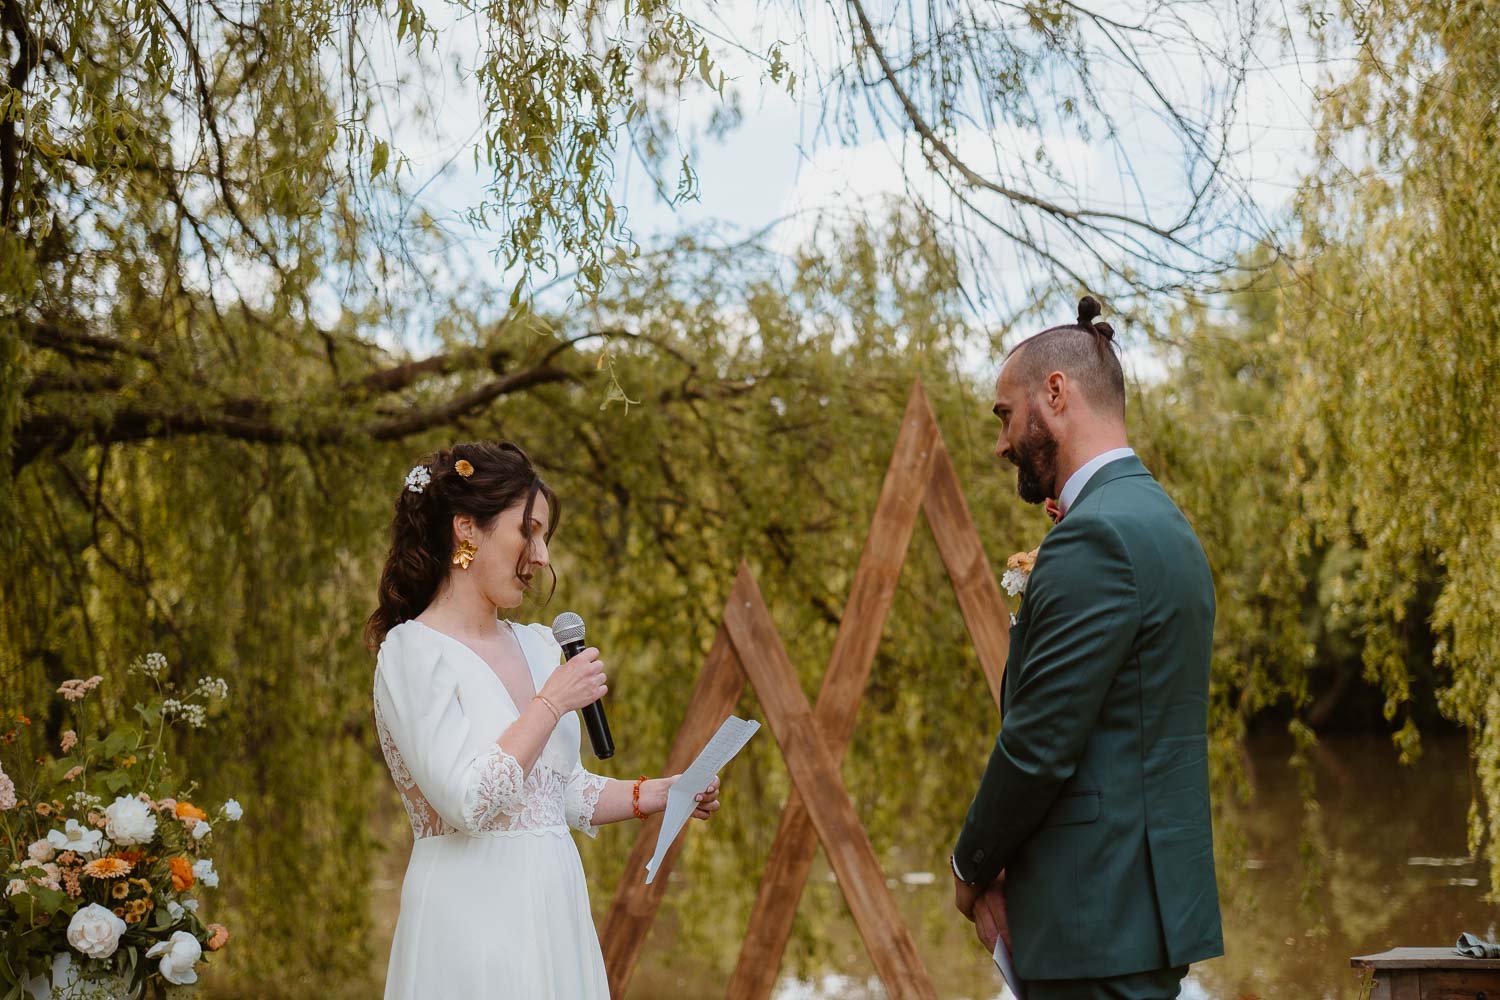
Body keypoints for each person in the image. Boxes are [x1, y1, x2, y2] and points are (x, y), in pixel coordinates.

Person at [366, 441, 721, 999]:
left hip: (555, 914)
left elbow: (558, 791)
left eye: (545, 539)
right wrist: (550, 703)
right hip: (469, 921)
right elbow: (469, 802)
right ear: (466, 530)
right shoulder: (413, 653)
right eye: (526, 532)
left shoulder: (537, 646)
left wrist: (662, 793)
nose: (541, 557)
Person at [950, 297, 1223, 999]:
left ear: (1055, 392)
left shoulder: (1095, 536)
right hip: (1139, 917)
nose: (1002, 442)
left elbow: (1039, 743)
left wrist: (970, 865)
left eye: (1005, 415)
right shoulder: (1164, 523)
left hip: (1093, 922)